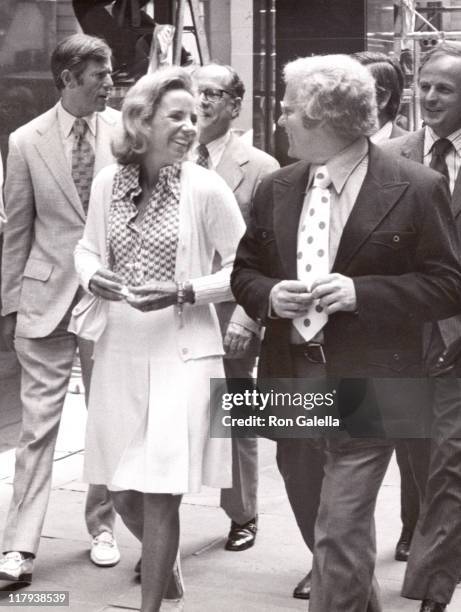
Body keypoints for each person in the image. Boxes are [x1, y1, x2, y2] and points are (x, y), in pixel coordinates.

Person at [231, 53, 461, 612]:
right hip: (289, 372)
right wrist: (268, 297)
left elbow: (448, 284)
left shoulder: (415, 185)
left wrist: (365, 294)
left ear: (321, 117)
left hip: (375, 380)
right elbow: (245, 271)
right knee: (324, 526)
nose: (280, 120)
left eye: (288, 111)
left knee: (339, 526)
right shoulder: (275, 187)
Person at [72, 66, 245, 612]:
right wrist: (90, 274)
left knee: (162, 489)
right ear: (140, 120)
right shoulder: (108, 182)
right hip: (119, 348)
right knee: (121, 491)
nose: (191, 126)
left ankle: (152, 606)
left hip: (184, 352)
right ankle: (165, 568)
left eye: (195, 115)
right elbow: (87, 248)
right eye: (178, 116)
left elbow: (245, 270)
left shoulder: (205, 186)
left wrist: (184, 291)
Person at [0, 34, 120, 583]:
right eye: (99, 75)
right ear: (68, 77)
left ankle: (103, 527)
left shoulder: (125, 134)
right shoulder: (25, 141)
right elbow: (17, 229)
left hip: (108, 299)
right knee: (38, 429)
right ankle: (20, 547)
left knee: (108, 420)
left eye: (111, 73)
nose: (109, 83)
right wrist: (9, 307)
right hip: (44, 300)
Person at [384, 40, 461, 612]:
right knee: (419, 463)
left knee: (448, 467)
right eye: (426, 85)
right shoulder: (392, 155)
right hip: (401, 341)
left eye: (446, 89)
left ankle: (431, 594)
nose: (430, 96)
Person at [193, 62, 279, 552]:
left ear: (234, 105)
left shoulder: (261, 168)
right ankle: (165, 520)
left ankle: (243, 514)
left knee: (236, 412)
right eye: (195, 91)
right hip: (178, 310)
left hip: (232, 311)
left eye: (213, 93)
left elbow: (266, 252)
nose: (201, 101)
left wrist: (249, 316)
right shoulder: (171, 158)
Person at [354, 49, 428, 566]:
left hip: (408, 319)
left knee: (412, 438)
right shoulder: (310, 160)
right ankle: (342, 550)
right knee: (337, 439)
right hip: (343, 330)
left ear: (378, 97)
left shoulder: (408, 160)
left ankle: (415, 529)